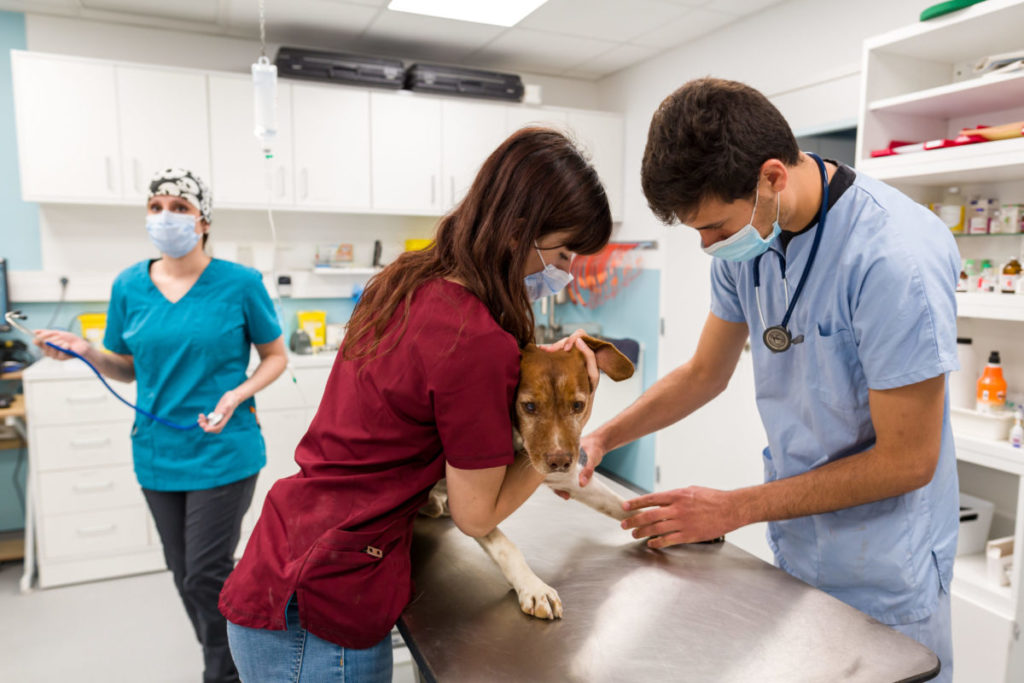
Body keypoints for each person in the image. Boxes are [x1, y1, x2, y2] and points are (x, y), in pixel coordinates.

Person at [576, 78, 959, 681]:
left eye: (715, 229)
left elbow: (909, 460)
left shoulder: (892, 258)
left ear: (772, 178)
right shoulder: (751, 244)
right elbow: (705, 373)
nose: (706, 247)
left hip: (885, 568)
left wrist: (733, 508)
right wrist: (603, 438)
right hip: (799, 547)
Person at [219, 127, 612, 682]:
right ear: (519, 232)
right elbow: (477, 513)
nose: (565, 273)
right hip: (322, 606)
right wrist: (563, 429)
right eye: (563, 253)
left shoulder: (408, 276)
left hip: (290, 557)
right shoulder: (475, 339)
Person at [35, 168, 288, 683]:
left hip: (224, 446)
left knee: (205, 573)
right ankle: (233, 657)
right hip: (155, 453)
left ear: (204, 220)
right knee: (184, 575)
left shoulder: (241, 284)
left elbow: (275, 357)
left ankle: (228, 672)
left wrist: (236, 394)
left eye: (179, 207)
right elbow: (127, 368)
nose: (166, 217)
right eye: (156, 207)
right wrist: (86, 351)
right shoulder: (128, 285)